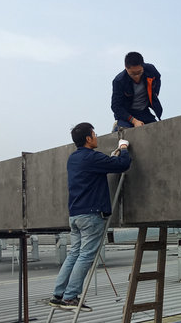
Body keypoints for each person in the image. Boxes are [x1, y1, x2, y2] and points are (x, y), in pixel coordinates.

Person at [49, 123, 131, 311]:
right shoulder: (93, 157)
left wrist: (110, 158)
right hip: (91, 215)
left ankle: (58, 294)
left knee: (74, 254)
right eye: (94, 134)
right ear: (88, 138)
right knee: (86, 255)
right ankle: (70, 297)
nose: (96, 137)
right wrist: (124, 148)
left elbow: (100, 168)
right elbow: (123, 165)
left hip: (75, 215)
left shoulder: (73, 159)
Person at [111, 51, 162, 128]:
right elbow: (116, 106)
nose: (137, 76)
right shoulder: (119, 81)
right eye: (133, 74)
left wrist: (155, 94)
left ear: (143, 66)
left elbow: (158, 78)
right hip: (128, 114)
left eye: (139, 72)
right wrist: (134, 121)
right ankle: (117, 126)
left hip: (144, 112)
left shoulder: (151, 70)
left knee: (156, 129)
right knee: (125, 132)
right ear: (126, 68)